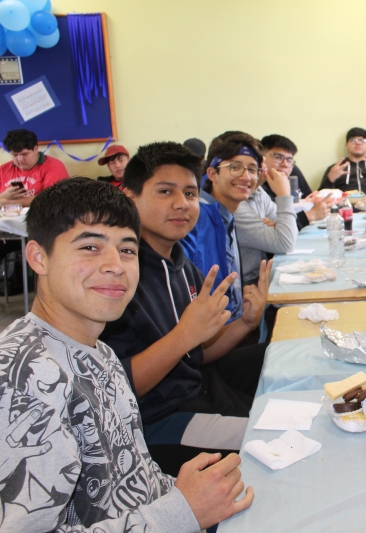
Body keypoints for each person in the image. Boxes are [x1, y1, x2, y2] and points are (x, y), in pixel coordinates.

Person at [0, 177, 253, 532]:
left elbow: (132, 480)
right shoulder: (25, 379)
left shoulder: (99, 351)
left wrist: (182, 495)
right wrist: (182, 511)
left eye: (127, 250)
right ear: (39, 257)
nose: (115, 265)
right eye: (90, 247)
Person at [101, 142, 270, 476]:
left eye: (191, 194)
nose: (182, 204)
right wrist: (183, 336)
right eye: (165, 191)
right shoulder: (119, 275)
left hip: (197, 385)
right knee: (266, 443)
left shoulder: (180, 263)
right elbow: (118, 387)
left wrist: (246, 323)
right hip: (157, 419)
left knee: (279, 357)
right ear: (130, 197)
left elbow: (198, 354)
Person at [181, 132, 262, 322]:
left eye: (252, 169)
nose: (246, 176)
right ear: (212, 174)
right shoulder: (198, 220)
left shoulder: (224, 214)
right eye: (235, 167)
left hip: (231, 326)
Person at [236, 138, 298, 285]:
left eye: (253, 167)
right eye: (237, 167)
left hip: (260, 277)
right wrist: (284, 195)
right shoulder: (235, 205)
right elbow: (286, 243)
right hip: (247, 285)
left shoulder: (258, 192)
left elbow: (289, 232)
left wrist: (279, 226)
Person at [259, 134, 331, 231]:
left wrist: (314, 199)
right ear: (262, 159)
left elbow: (280, 224)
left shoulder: (292, 171)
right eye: (278, 157)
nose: (285, 164)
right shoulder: (256, 187)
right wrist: (310, 215)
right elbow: (276, 229)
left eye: (289, 160)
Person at [0, 128, 68, 206]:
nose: (20, 159)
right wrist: (3, 195)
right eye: (15, 155)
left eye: (24, 154)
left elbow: (52, 199)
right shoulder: (3, 169)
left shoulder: (54, 166)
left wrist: (5, 202)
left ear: (35, 149)